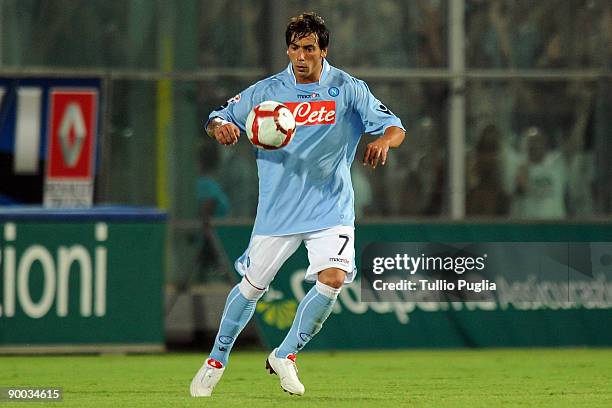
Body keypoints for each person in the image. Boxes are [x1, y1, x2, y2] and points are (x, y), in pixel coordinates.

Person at [190, 12, 405, 397]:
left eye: (309, 49)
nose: (300, 57)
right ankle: (216, 360)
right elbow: (217, 116)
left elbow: (395, 126)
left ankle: (285, 355)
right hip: (279, 211)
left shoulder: (348, 89)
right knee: (252, 287)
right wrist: (220, 127)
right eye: (294, 48)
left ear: (324, 50)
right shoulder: (267, 91)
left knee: (335, 279)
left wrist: (384, 142)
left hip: (331, 208)